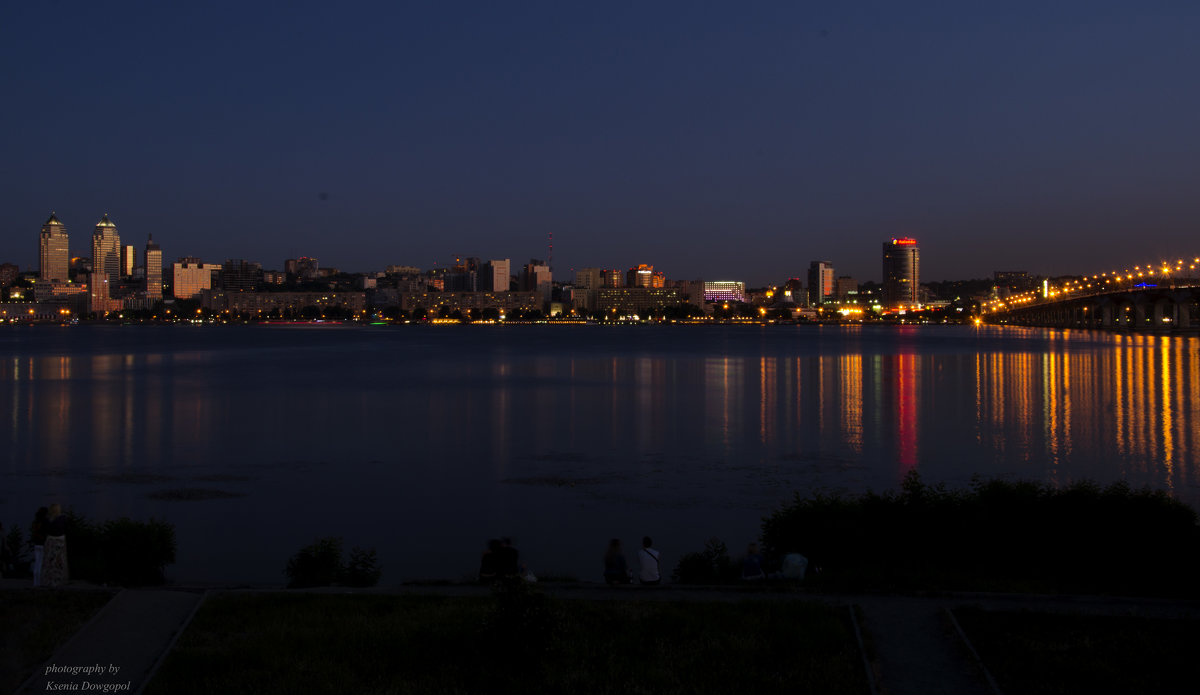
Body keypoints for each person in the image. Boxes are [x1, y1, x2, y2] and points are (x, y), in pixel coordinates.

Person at [42, 504, 68, 588]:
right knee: (60, 561)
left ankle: (49, 581)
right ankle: (60, 580)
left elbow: (45, 530)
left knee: (49, 561)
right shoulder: (63, 519)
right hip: (60, 540)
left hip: (50, 541)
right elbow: (66, 528)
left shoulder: (47, 520)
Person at [31, 507, 48, 587]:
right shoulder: (45, 521)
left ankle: (35, 582)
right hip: (43, 544)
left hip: (36, 544)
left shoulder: (35, 522)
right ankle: (41, 582)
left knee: (37, 562)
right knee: (41, 563)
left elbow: (34, 532)